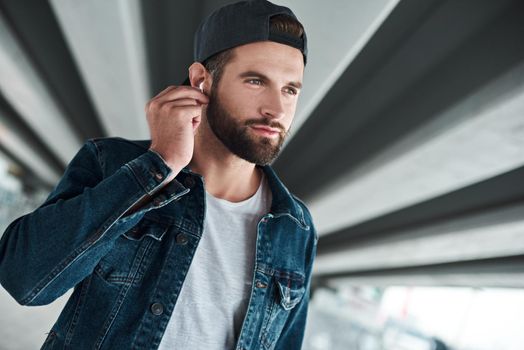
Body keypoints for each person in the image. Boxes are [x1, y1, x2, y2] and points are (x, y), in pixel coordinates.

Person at [0, 0, 317, 349]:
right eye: (256, 81)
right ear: (201, 81)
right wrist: (159, 165)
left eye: (290, 89)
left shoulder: (294, 227)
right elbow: (25, 280)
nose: (276, 109)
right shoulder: (112, 163)